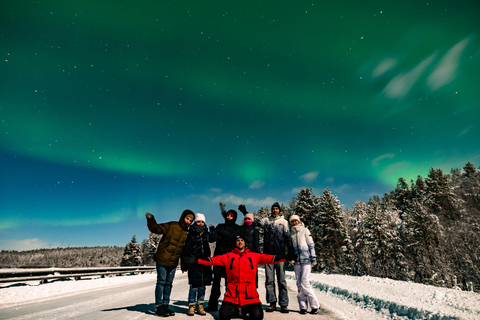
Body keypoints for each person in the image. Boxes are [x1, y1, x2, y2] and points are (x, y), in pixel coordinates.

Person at [196, 235, 295, 320]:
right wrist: (197, 260)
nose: (240, 242)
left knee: (258, 316)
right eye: (238, 240)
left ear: (245, 243)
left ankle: (245, 308)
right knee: (223, 316)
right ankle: (235, 308)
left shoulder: (253, 256)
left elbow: (269, 258)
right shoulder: (228, 256)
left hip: (250, 296)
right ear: (235, 243)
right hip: (232, 296)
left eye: (242, 240)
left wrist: (285, 257)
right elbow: (213, 260)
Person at [245, 202, 294, 313]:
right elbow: (255, 222)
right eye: (273, 208)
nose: (275, 210)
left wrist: (291, 250)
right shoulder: (266, 220)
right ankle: (272, 303)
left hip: (280, 255)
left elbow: (287, 237)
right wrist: (246, 212)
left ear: (279, 210)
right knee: (269, 280)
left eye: (277, 209)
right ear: (271, 210)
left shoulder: (284, 222)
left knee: (281, 280)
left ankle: (284, 304)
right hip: (268, 256)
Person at [146, 209, 194, 317]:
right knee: (161, 282)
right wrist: (151, 219)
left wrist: (183, 262)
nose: (188, 222)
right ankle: (159, 307)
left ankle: (165, 305)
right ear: (183, 217)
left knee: (168, 284)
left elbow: (183, 249)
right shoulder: (172, 225)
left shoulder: (186, 233)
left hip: (173, 262)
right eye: (187, 219)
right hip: (162, 259)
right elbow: (156, 228)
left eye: (190, 220)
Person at [204, 202, 241, 312]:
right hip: (219, 257)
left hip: (231, 259)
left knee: (229, 283)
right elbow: (213, 239)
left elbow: (235, 241)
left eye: (231, 216)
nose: (229, 217)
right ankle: (213, 304)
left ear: (234, 218)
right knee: (216, 282)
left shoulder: (237, 228)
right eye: (228, 215)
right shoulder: (220, 226)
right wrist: (212, 231)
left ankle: (230, 304)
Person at [181, 213, 217, 316]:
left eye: (202, 222)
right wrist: (187, 260)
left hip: (205, 261)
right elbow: (186, 248)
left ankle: (200, 305)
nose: (200, 224)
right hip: (194, 262)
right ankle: (191, 305)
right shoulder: (190, 233)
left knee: (202, 286)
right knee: (194, 285)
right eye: (198, 222)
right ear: (195, 222)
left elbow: (213, 238)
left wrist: (212, 229)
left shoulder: (206, 233)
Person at [289, 215, 320, 315]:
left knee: (305, 282)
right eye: (292, 221)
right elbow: (289, 248)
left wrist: (313, 257)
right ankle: (303, 307)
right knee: (299, 283)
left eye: (296, 221)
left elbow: (311, 244)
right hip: (296, 261)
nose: (294, 223)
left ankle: (315, 305)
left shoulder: (305, 230)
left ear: (299, 221)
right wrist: (290, 258)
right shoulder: (290, 233)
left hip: (306, 260)